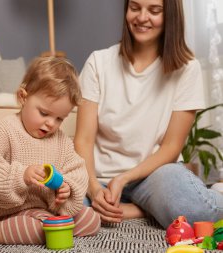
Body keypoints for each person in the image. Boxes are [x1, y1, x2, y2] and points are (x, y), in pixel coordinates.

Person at [74, 0, 223, 229]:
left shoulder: (187, 68)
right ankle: (143, 209)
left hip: (155, 176)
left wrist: (124, 178)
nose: (142, 18)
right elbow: (83, 139)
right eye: (135, 8)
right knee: (67, 208)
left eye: (154, 11)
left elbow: (171, 148)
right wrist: (93, 189)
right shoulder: (98, 62)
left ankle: (214, 192)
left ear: (170, 16)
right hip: (101, 179)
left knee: (197, 213)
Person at [0, 56, 101, 245]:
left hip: (46, 212)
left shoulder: (61, 140)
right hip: (8, 212)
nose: (51, 123)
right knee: (34, 230)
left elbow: (77, 170)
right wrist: (22, 176)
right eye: (44, 113)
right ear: (23, 97)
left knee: (91, 219)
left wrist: (66, 188)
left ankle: (46, 227)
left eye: (60, 118)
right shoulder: (6, 128)